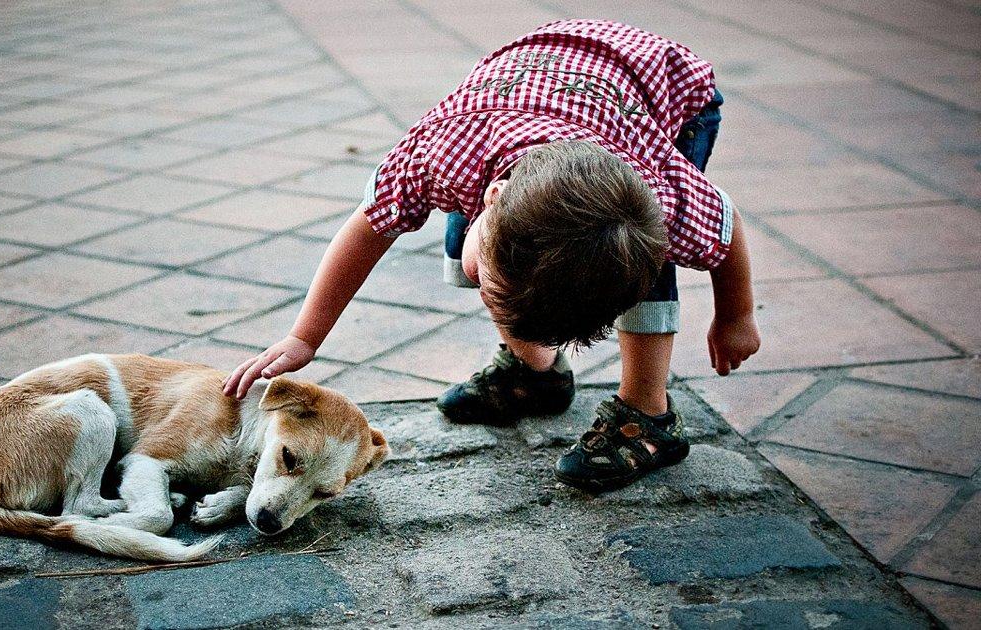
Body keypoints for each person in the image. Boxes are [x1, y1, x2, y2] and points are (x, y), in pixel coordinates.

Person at [223, 19, 760, 492]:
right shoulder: (438, 155)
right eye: (492, 295)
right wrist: (304, 336)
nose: (491, 303)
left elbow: (725, 223)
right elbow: (368, 227)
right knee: (465, 247)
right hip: (542, 82)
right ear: (492, 197)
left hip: (672, 97)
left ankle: (648, 415)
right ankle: (536, 375)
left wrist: (736, 316)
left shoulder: (660, 193)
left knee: (638, 259)